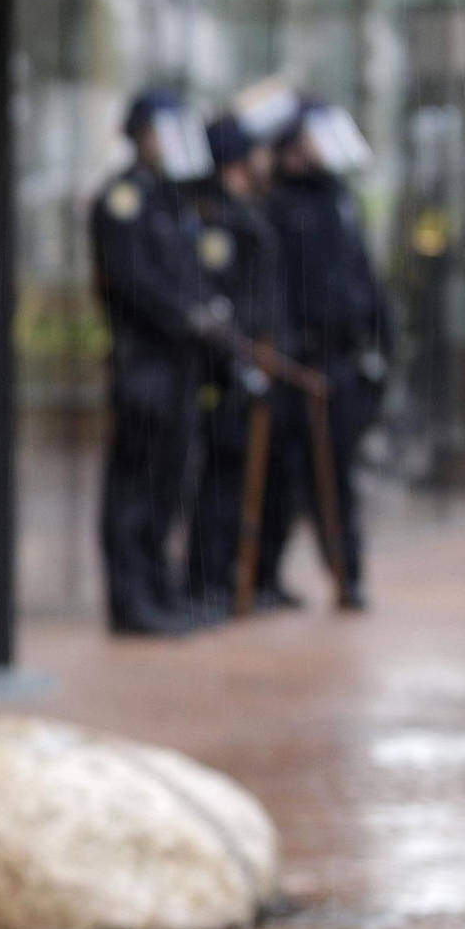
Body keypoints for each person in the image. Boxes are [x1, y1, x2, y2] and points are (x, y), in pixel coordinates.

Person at [90, 88, 224, 636]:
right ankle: (131, 599)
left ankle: (159, 589)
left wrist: (207, 311)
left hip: (180, 367)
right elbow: (132, 283)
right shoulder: (122, 201)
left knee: (168, 483)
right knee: (135, 489)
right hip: (144, 364)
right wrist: (184, 314)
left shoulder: (173, 200)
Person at [265, 99, 392, 610]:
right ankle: (264, 576)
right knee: (286, 474)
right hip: (299, 364)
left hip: (342, 360)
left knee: (336, 474)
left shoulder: (339, 198)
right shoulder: (278, 206)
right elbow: (277, 290)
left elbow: (364, 277)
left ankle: (348, 572)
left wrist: (382, 340)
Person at [184, 113, 300, 611]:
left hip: (262, 363)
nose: (263, 161)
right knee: (221, 478)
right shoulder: (212, 215)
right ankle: (209, 580)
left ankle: (247, 575)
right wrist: (240, 359)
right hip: (228, 366)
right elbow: (220, 295)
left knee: (262, 478)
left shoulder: (251, 209)